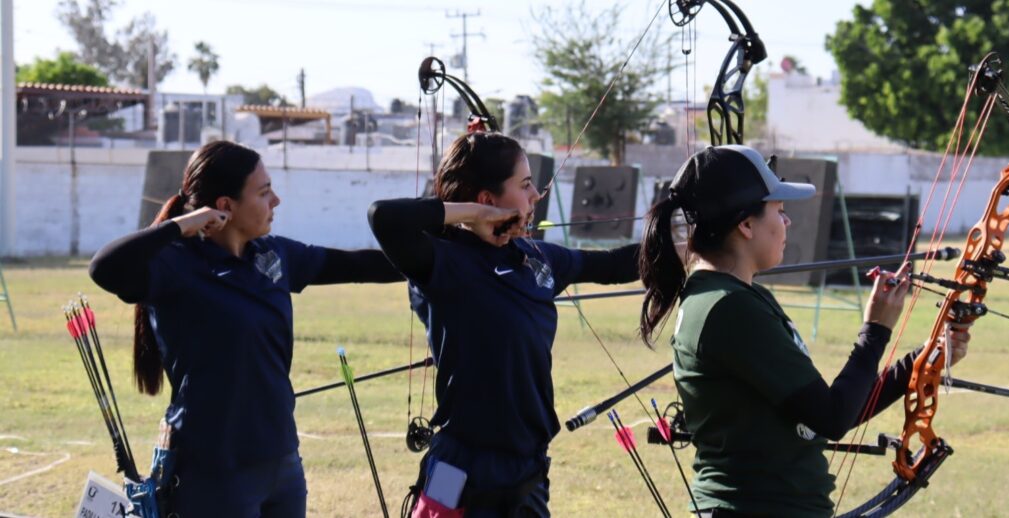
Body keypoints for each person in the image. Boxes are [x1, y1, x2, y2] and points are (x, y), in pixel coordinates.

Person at [637, 145, 972, 517]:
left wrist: (920, 361)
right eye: (779, 212)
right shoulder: (727, 307)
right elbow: (831, 417)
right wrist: (875, 329)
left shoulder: (736, 298)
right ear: (746, 225)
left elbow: (822, 412)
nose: (787, 222)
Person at [89, 140, 402, 517]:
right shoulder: (175, 265)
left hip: (281, 462)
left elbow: (358, 266)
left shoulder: (273, 255)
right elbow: (104, 267)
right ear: (225, 207)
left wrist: (438, 256)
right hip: (213, 472)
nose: (276, 201)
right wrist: (180, 226)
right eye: (264, 192)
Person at [368, 132, 639, 517]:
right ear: (486, 199)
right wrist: (473, 215)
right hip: (460, 466)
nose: (535, 196)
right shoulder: (446, 263)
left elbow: (613, 264)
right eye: (525, 185)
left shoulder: (536, 257)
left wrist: (691, 248)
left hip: (525, 469)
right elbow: (384, 217)